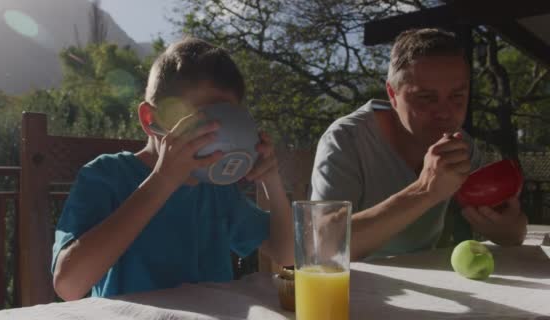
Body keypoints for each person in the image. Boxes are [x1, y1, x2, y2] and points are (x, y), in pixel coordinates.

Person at [51, 38, 294, 301]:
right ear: (151, 120)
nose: (218, 136)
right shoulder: (107, 175)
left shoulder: (217, 189)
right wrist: (163, 180)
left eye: (227, 122)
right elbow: (69, 285)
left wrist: (272, 180)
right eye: (204, 122)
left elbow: (288, 254)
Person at [310, 28, 527, 261]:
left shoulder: (460, 145)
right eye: (426, 98)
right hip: (354, 289)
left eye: (457, 97)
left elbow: (513, 233)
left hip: (429, 285)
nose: (445, 113)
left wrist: (508, 229)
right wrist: (424, 191)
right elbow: (324, 246)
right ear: (392, 95)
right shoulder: (346, 139)